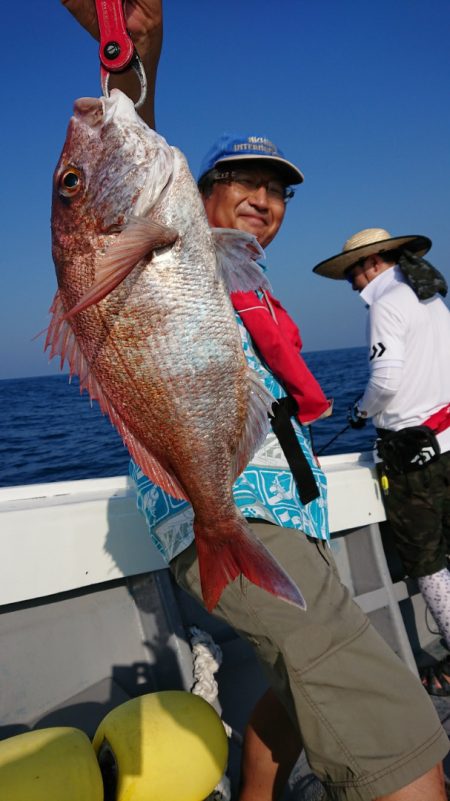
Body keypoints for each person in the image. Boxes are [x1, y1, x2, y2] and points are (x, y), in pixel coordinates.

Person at [62, 4, 450, 799]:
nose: (263, 197)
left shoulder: (244, 276)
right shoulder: (163, 248)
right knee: (395, 730)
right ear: (195, 190)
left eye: (277, 190)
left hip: (280, 520)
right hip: (235, 511)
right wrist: (137, 60)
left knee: (293, 696)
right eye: (243, 179)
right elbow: (127, 139)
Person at [313, 227, 450, 698]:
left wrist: (360, 411)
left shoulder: (384, 304)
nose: (351, 284)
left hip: (414, 456)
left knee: (427, 562)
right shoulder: (428, 296)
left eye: (351, 272)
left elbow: (386, 380)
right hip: (448, 439)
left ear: (368, 265)